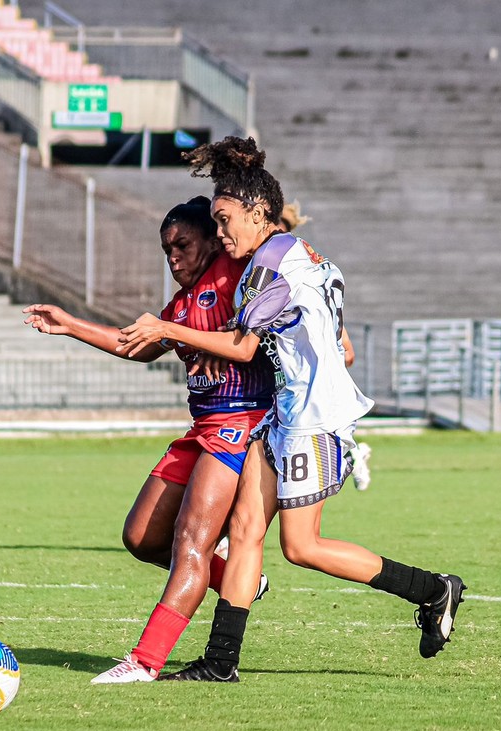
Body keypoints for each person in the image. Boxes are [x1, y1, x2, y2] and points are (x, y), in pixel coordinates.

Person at [117, 137, 465, 682]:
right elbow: (342, 348)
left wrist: (168, 328)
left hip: (312, 424)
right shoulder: (302, 257)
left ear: (259, 214)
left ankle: (433, 589)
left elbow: (242, 348)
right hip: (286, 416)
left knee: (301, 546)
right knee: (246, 526)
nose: (222, 233)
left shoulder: (268, 267)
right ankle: (219, 662)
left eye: (226, 220)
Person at [23, 196, 277, 683]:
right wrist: (70, 325)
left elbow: (258, 318)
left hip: (239, 426)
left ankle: (145, 662)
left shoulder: (233, 273)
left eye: (183, 244)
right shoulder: (181, 304)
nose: (174, 257)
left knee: (191, 544)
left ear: (213, 238)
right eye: (167, 250)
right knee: (141, 536)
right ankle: (237, 579)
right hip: (202, 428)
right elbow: (133, 344)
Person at [280, 199, 370, 491]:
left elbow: (348, 352)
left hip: (311, 404)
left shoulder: (304, 282)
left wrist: (314, 362)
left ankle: (351, 454)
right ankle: (353, 453)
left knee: (300, 533)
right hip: (289, 400)